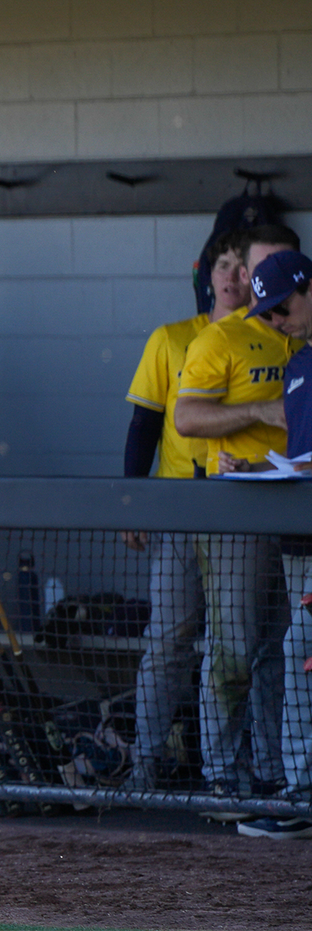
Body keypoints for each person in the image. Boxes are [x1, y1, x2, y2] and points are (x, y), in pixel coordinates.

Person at [174, 223, 301, 807]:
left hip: (296, 511)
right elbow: (186, 419)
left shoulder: (300, 336)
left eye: (286, 264)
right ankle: (221, 775)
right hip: (235, 511)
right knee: (234, 646)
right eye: (262, 265)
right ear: (246, 273)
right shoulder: (219, 339)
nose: (274, 277)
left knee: (283, 646)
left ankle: (276, 772)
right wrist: (261, 412)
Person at [119, 230, 250, 787]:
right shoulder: (171, 338)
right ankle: (145, 763)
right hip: (178, 507)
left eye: (243, 267)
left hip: (245, 514)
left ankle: (227, 771)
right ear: (206, 274)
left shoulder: (275, 341)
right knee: (168, 638)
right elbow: (143, 425)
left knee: (236, 644)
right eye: (223, 266)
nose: (232, 278)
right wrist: (134, 503)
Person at [230, 249, 312, 839]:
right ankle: (300, 793)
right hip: (299, 539)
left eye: (282, 308)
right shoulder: (298, 363)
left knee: (299, 647)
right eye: (268, 314)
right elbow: (301, 456)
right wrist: (256, 468)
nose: (276, 321)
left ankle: (301, 794)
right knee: (298, 651)